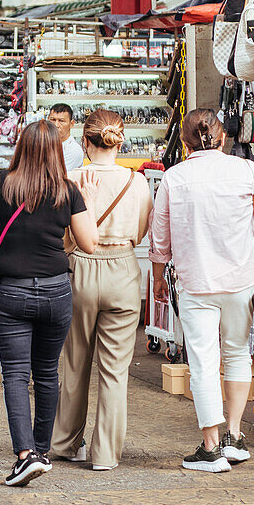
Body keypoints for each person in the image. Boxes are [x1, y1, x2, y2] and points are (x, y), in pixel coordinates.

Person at [150, 109, 254, 472]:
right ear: (222, 138)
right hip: (241, 282)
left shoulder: (174, 179)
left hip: (195, 283)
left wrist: (158, 277)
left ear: (185, 144)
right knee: (237, 355)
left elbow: (160, 239)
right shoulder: (248, 171)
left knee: (204, 362)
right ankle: (234, 437)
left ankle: (211, 448)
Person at [0, 120, 99, 487]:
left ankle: (24, 455)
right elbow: (89, 244)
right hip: (55, 291)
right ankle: (41, 451)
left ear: (21, 147)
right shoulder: (68, 190)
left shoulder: (3, 183)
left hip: (12, 293)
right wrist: (87, 202)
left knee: (16, 375)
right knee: (48, 373)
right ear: (56, 150)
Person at [51, 109, 153, 470]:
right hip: (123, 269)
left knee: (74, 362)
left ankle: (63, 443)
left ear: (84, 140)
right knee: (114, 371)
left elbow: (62, 232)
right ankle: (105, 455)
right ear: (119, 140)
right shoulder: (137, 183)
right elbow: (140, 233)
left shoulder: (69, 178)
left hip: (78, 268)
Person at [48, 103, 85, 172]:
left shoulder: (74, 150)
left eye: (61, 121)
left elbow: (57, 177)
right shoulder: (43, 142)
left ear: (71, 124)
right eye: (53, 120)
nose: (56, 125)